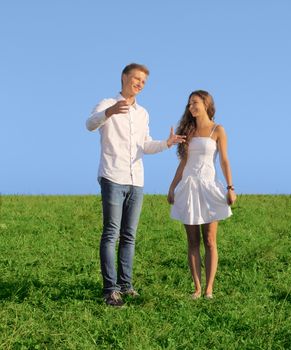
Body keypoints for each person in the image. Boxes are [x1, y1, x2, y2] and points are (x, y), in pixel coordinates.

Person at [86, 63, 185, 307]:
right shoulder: (106, 103)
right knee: (111, 233)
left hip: (136, 180)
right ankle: (110, 290)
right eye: (136, 79)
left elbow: (145, 145)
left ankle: (126, 285)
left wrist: (167, 143)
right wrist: (109, 112)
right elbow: (89, 124)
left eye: (143, 81)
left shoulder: (143, 113)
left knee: (129, 236)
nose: (140, 84)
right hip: (113, 177)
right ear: (124, 78)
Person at [168, 90, 236, 300]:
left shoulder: (218, 129)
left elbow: (224, 160)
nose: (191, 107)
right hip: (189, 188)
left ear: (206, 104)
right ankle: (197, 289)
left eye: (195, 103)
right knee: (192, 241)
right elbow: (183, 163)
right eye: (189, 104)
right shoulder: (188, 132)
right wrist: (172, 187)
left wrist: (230, 187)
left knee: (210, 240)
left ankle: (209, 289)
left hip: (208, 187)